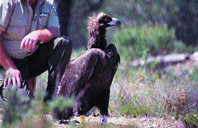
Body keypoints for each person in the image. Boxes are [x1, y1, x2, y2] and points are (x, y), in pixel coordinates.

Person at [0, 0, 72, 102]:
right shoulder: (9, 3)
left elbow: (56, 31)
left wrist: (38, 34)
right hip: (5, 65)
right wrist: (10, 67)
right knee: (24, 106)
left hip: (29, 62)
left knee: (64, 43)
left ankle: (51, 101)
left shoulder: (47, 5)